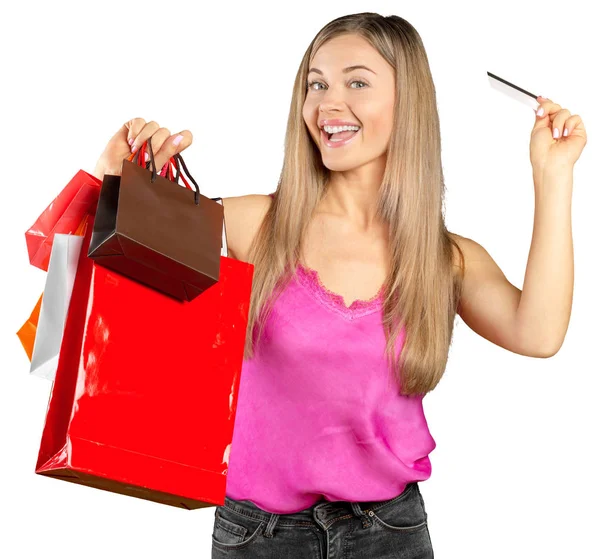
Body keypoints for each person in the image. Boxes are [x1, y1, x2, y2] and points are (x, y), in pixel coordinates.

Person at [92, 11, 585, 559]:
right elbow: (110, 286)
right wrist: (114, 182)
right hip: (257, 537)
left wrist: (553, 175)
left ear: (408, 104)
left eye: (357, 82)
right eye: (317, 84)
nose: (328, 104)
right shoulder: (254, 225)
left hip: (389, 535)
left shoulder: (444, 259)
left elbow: (538, 333)